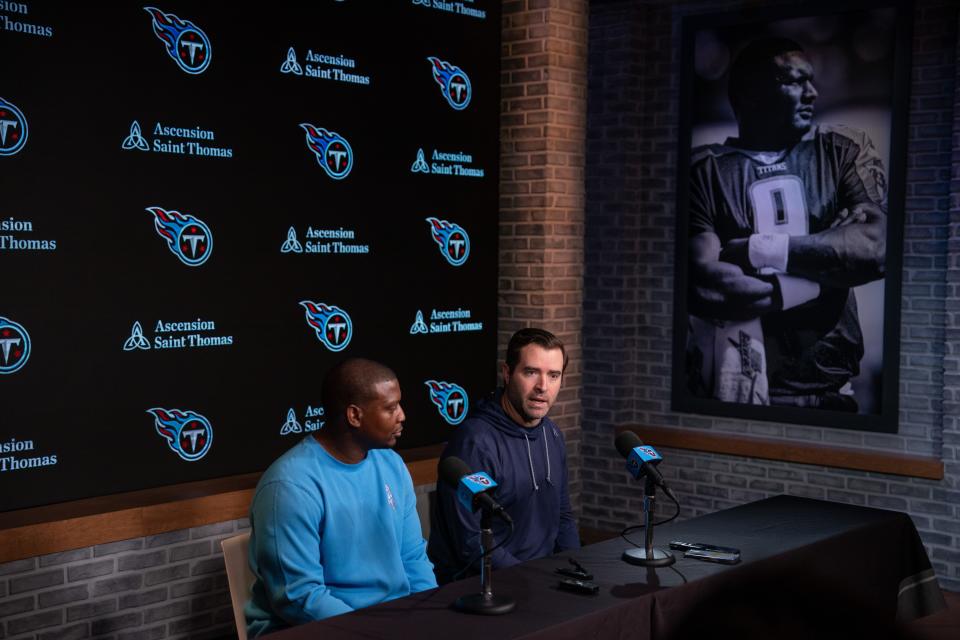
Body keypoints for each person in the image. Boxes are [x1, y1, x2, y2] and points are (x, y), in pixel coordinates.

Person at [686, 37, 887, 411]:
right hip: (739, 391)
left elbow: (875, 250)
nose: (812, 92)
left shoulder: (841, 149)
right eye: (793, 81)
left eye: (810, 80)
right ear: (750, 93)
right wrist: (825, 267)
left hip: (830, 389)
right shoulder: (706, 168)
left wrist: (753, 249)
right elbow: (704, 287)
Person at [245, 358, 436, 637]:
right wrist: (372, 632)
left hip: (389, 623)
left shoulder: (392, 465)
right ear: (354, 415)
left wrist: (430, 617)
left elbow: (413, 557)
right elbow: (300, 598)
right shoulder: (289, 486)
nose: (402, 415)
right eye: (390, 407)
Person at [428, 327, 579, 583]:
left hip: (540, 579)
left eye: (554, 375)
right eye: (531, 372)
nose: (543, 386)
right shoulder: (475, 443)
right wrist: (534, 580)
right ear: (507, 373)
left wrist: (576, 567)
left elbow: (562, 516)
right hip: (482, 587)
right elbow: (471, 541)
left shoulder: (552, 434)